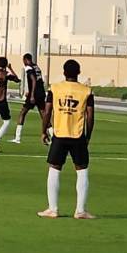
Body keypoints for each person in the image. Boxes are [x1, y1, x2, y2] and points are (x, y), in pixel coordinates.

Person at [38, 59, 95, 220]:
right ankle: (80, 210)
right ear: (79, 72)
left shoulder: (55, 88)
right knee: (82, 170)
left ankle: (52, 209)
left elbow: (47, 110)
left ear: (64, 72)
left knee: (54, 169)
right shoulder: (86, 91)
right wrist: (88, 136)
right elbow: (90, 116)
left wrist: (43, 131)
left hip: (59, 134)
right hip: (77, 135)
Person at [10, 53, 46, 145]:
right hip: (41, 93)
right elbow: (39, 80)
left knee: (23, 112)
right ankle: (53, 136)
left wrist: (32, 94)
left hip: (35, 94)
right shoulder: (36, 67)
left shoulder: (28, 68)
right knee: (43, 115)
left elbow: (33, 80)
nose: (23, 63)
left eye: (23, 61)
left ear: (26, 60)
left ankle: (17, 138)